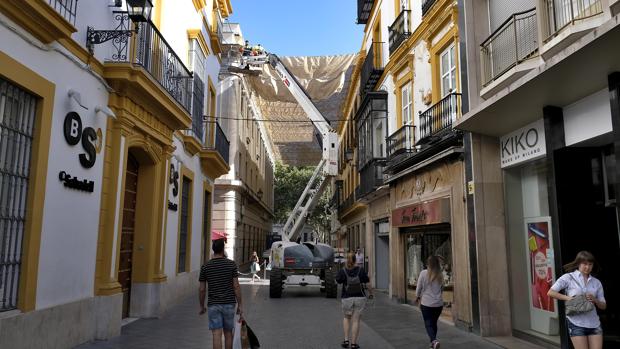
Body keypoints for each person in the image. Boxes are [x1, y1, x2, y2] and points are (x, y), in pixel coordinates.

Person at [548, 251, 606, 349]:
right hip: (576, 323)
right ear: (578, 263)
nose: (587, 267)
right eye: (585, 264)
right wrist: (570, 298)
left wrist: (595, 299)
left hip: (594, 323)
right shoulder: (568, 278)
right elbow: (551, 292)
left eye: (590, 264)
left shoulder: (596, 282)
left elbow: (603, 306)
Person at [199, 238, 243, 349]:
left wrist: (201, 305)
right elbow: (236, 286)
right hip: (229, 304)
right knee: (228, 333)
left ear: (213, 250)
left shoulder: (205, 267)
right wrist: (240, 304)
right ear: (223, 249)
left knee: (216, 334)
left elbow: (202, 289)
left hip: (213, 305)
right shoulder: (231, 265)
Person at [336, 252, 373, 349]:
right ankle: (353, 344)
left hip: (347, 297)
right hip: (360, 297)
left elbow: (338, 281)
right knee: (356, 320)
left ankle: (346, 340)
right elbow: (368, 283)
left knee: (347, 318)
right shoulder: (360, 270)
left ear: (346, 260)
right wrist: (371, 293)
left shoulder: (343, 271)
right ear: (355, 260)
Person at [416, 255, 444, 349]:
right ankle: (433, 343)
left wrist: (417, 296)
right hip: (439, 304)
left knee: (428, 323)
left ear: (428, 263)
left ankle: (434, 341)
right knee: (434, 323)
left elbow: (419, 287)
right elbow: (442, 288)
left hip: (427, 303)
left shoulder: (423, 273)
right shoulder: (440, 274)